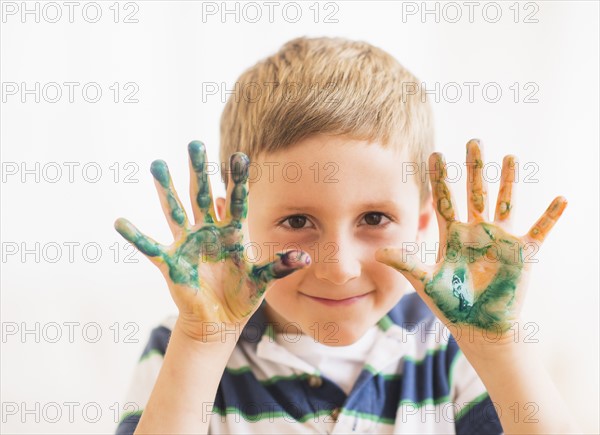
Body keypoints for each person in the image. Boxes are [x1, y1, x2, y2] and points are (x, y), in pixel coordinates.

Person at [114, 37, 578, 434]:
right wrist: (202, 343)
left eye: (374, 219)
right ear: (233, 231)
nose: (339, 268)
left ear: (421, 224)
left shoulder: (446, 345)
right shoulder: (187, 345)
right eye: (297, 222)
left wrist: (499, 349)